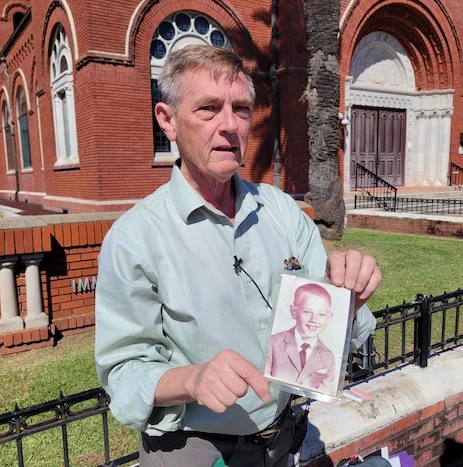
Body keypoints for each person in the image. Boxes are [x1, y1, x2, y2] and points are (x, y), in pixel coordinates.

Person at [94, 45, 381, 467]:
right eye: (208, 109)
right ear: (167, 120)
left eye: (241, 109)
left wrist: (348, 301)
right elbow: (122, 370)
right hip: (196, 449)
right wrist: (192, 379)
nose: (230, 125)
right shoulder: (136, 238)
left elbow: (329, 334)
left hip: (282, 439)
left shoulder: (282, 210)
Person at [265, 283, 337, 392]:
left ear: (328, 318)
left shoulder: (328, 357)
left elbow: (325, 391)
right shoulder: (273, 343)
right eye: (307, 312)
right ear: (294, 312)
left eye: (321, 314)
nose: (314, 320)